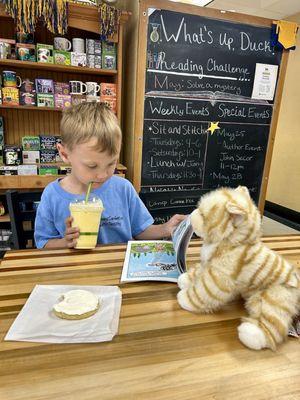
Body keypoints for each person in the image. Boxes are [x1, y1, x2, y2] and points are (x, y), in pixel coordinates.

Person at [34, 102, 185, 249]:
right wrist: (65, 243)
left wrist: (166, 228)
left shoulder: (123, 188)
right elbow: (44, 243)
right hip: (76, 271)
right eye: (92, 166)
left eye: (111, 163)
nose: (102, 175)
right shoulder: (52, 195)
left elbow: (140, 231)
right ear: (64, 154)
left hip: (119, 267)